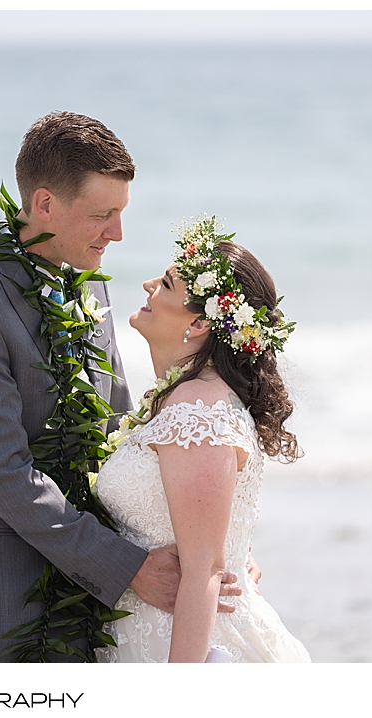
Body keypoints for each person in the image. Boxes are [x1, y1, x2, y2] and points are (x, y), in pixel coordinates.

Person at [0, 112, 245, 663]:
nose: (118, 233)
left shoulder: (89, 287)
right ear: (44, 205)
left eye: (122, 213)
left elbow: (119, 433)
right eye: (102, 215)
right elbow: (5, 474)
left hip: (92, 611)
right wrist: (126, 567)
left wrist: (212, 548)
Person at [95, 217, 311, 663]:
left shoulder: (198, 408)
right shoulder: (182, 398)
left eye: (167, 284)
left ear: (197, 325)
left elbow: (205, 572)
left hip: (186, 645)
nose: (148, 284)